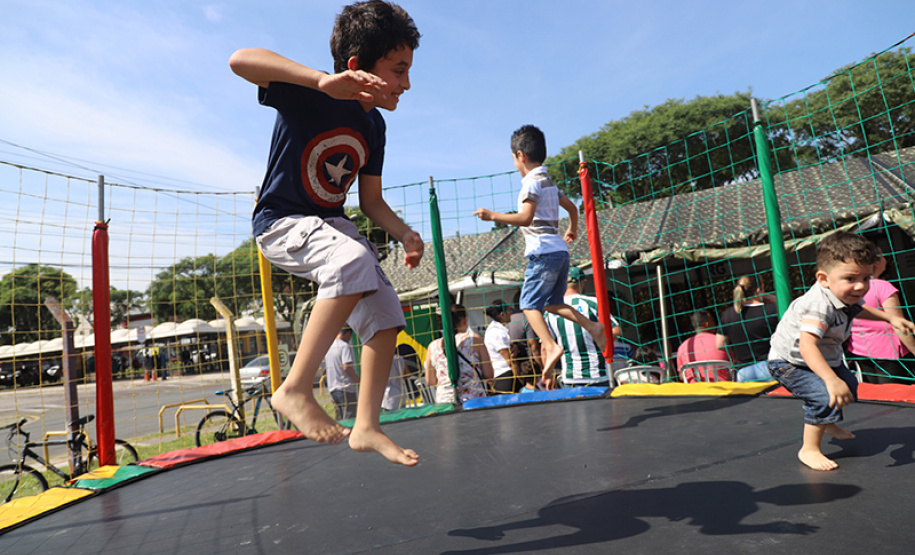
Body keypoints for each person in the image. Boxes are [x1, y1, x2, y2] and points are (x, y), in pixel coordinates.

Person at [230, 1, 423, 466]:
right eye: (398, 71)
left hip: (330, 223)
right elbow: (239, 60)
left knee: (386, 312)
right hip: (281, 221)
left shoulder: (374, 126)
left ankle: (367, 426)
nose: (407, 84)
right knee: (352, 260)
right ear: (358, 68)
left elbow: (370, 202)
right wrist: (320, 79)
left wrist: (404, 233)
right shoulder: (311, 94)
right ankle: (294, 389)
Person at [767, 231, 915, 471]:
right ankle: (809, 449)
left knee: (849, 385)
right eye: (850, 278)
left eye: (866, 278)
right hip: (790, 361)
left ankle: (826, 421)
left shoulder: (845, 295)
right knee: (825, 394)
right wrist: (829, 379)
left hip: (823, 355)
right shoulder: (818, 305)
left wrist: (890, 319)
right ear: (824, 279)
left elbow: (859, 309)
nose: (860, 286)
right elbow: (807, 346)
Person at [473, 125, 606, 389]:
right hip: (560, 251)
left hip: (543, 253)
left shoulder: (531, 183)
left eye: (513, 158)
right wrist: (572, 228)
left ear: (520, 156)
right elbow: (572, 207)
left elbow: (525, 217)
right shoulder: (548, 182)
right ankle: (593, 327)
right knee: (552, 303)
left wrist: (492, 216)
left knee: (528, 305)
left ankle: (550, 345)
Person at [846, 247, 915, 384]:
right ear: (876, 263)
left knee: (875, 398)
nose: (886, 259)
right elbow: (898, 325)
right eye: (883, 256)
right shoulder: (883, 287)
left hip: (859, 351)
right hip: (889, 355)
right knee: (895, 397)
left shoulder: (848, 289)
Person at [544, 267, 617, 387]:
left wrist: (548, 374)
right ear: (582, 283)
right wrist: (600, 342)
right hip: (598, 374)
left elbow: (545, 348)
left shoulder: (551, 310)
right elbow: (616, 331)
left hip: (570, 377)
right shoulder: (593, 303)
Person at [424, 304, 493, 403]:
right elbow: (488, 374)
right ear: (464, 320)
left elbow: (430, 381)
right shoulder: (475, 340)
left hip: (445, 401)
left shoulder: (433, 346)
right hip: (474, 399)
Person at [719, 275, 779, 382]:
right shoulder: (772, 310)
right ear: (758, 291)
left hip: (743, 371)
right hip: (770, 365)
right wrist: (777, 302)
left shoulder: (728, 315)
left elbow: (720, 344)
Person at [675, 310, 731, 383]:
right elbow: (733, 365)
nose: (715, 324)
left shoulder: (683, 346)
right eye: (713, 321)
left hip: (695, 391)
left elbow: (682, 376)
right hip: (723, 389)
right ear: (707, 324)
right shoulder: (721, 341)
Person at [506, 291, 540, 393]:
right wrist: (539, 369)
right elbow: (534, 347)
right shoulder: (527, 318)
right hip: (529, 367)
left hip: (511, 367)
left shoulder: (507, 319)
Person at [325, 327, 360, 420]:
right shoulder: (344, 346)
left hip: (333, 388)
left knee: (341, 418)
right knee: (349, 418)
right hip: (345, 388)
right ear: (348, 333)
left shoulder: (329, 347)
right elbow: (346, 367)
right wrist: (359, 380)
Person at [484, 300, 516, 394]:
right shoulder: (498, 332)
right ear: (502, 314)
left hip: (501, 374)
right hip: (504, 376)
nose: (511, 313)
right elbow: (509, 360)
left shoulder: (496, 329)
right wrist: (519, 378)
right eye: (509, 311)